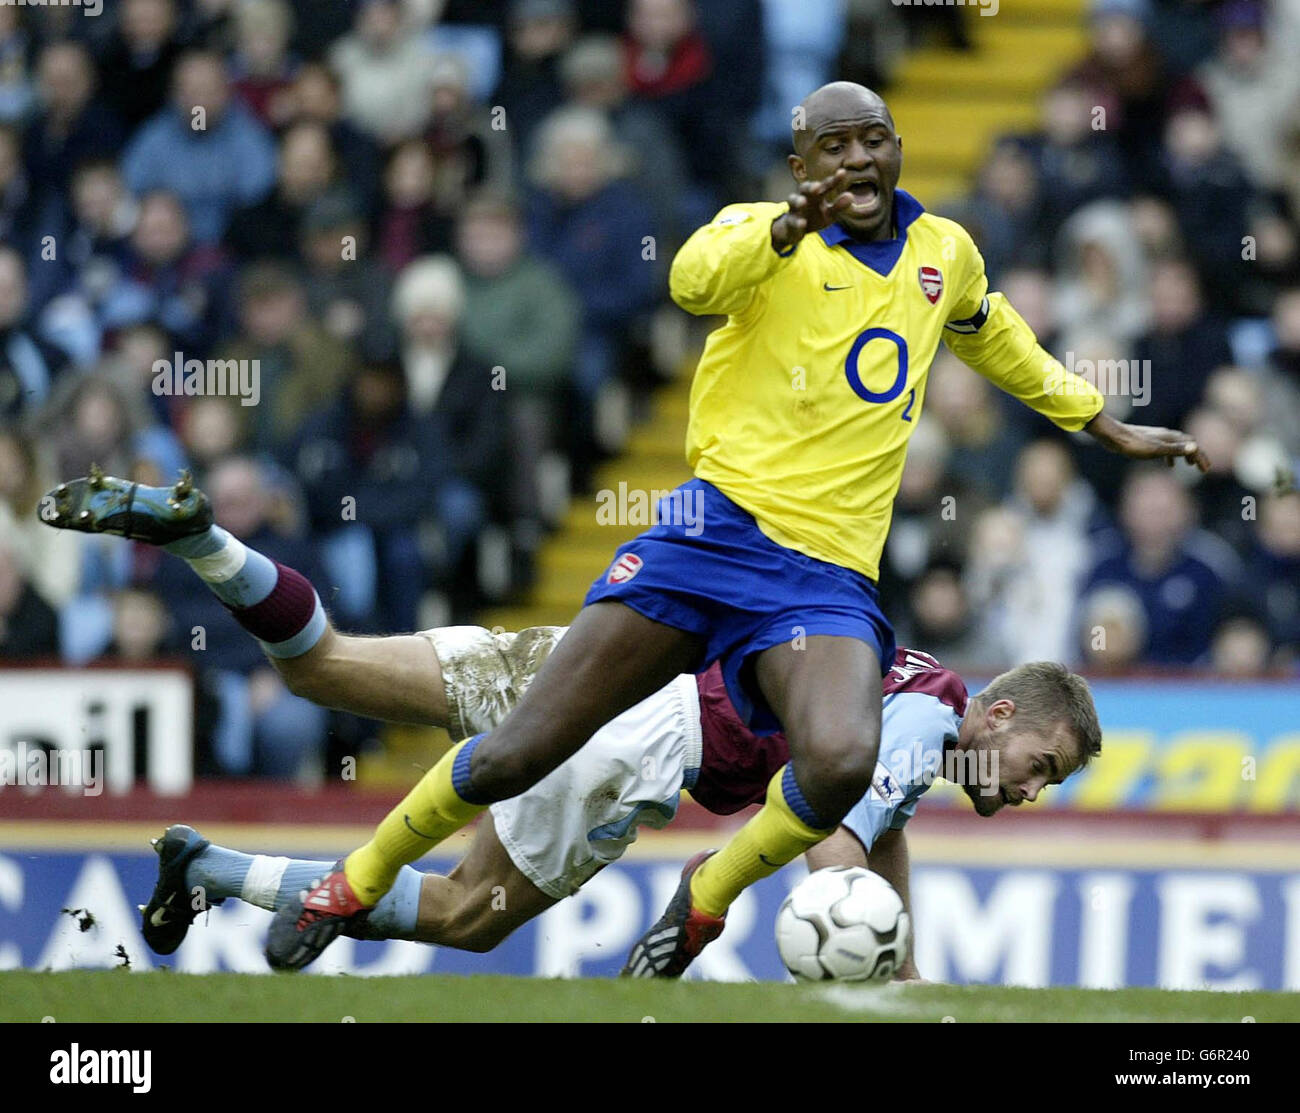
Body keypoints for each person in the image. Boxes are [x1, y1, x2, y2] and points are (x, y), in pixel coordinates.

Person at [49, 82, 1208, 979]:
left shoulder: (940, 255)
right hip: (686, 620)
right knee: (464, 898)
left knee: (333, 676)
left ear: (900, 150)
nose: (860, 162)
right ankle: (345, 880)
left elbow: (995, 330)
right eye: (834, 147)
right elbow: (695, 283)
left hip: (739, 610)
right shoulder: (764, 238)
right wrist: (781, 230)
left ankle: (207, 602)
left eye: (877, 141)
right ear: (801, 164)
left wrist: (1096, 419)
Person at [40, 470, 1101, 977]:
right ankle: (252, 877)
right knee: (469, 915)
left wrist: (906, 978)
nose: (1028, 790)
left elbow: (881, 828)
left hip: (593, 658)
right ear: (999, 711)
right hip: (648, 734)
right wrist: (845, 940)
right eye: (1039, 764)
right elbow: (841, 830)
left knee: (326, 666)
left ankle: (199, 543)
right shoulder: (927, 722)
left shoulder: (904, 698)